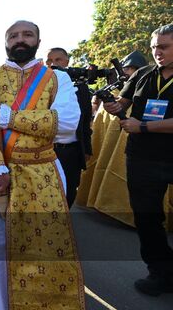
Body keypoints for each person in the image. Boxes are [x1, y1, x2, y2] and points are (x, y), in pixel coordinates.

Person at [0, 21, 84, 309]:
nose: (20, 40)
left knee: (48, 241)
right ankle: (5, 303)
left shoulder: (57, 78)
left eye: (27, 35)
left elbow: (69, 123)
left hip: (45, 168)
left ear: (38, 40)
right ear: (5, 42)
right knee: (1, 244)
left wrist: (12, 118)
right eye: (13, 36)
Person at [103, 24, 173, 296]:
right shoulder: (143, 74)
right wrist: (114, 106)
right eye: (154, 46)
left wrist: (143, 126)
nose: (157, 52)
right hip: (142, 159)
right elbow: (123, 103)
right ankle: (161, 272)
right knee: (147, 219)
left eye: (164, 47)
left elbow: (141, 123)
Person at [46, 47, 93, 207]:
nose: (53, 64)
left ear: (67, 62)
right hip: (46, 150)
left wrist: (86, 149)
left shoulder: (80, 88)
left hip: (71, 151)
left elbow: (85, 121)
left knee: (70, 191)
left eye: (58, 60)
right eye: (49, 61)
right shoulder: (40, 89)